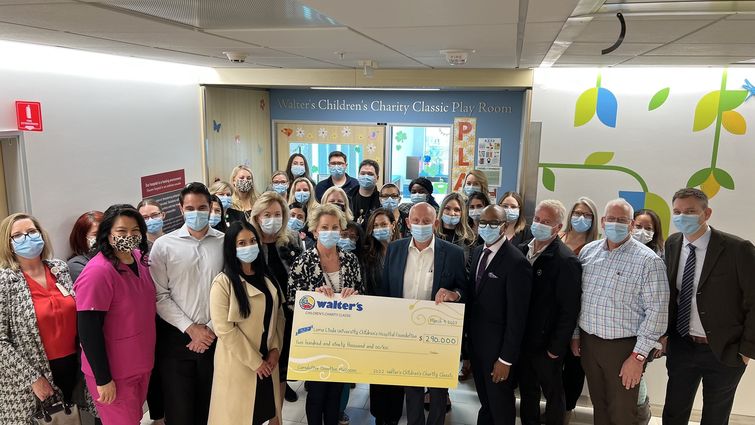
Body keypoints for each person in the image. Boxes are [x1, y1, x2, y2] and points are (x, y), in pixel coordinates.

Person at [570, 198, 669, 425]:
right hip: (589, 342)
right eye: (611, 219)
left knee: (623, 412)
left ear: (631, 224)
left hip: (624, 349)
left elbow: (657, 313)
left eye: (622, 220)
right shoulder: (588, 252)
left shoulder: (648, 261)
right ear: (603, 222)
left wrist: (638, 357)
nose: (616, 224)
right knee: (600, 407)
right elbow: (579, 299)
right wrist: (576, 335)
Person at [662, 188, 755, 425]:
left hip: (724, 350)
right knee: (674, 411)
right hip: (682, 345)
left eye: (690, 211)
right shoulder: (673, 244)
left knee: (715, 417)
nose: (683, 217)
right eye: (677, 212)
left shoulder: (738, 249)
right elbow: (671, 295)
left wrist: (746, 351)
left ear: (707, 213)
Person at [381, 202, 466, 425]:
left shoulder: (454, 253)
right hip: (405, 331)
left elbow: (464, 289)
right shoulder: (395, 249)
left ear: (435, 223)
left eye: (426, 221)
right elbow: (387, 289)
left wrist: (454, 294)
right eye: (416, 221)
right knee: (412, 389)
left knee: (438, 391)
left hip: (438, 333)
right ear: (408, 223)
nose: (420, 225)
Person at [0, 213, 87, 424]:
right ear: (9, 244)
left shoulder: (60, 269)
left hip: (73, 368)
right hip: (33, 376)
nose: (27, 238)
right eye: (18, 236)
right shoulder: (5, 282)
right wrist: (32, 379)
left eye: (31, 232)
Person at [150, 182, 225, 425]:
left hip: (216, 337)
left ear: (211, 207)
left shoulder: (225, 242)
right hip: (176, 339)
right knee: (179, 410)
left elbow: (233, 290)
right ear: (181, 209)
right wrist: (192, 329)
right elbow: (159, 295)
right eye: (190, 208)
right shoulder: (164, 246)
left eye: (202, 207)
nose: (196, 213)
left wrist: (210, 329)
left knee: (212, 408)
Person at [75, 204, 157, 424]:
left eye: (135, 231)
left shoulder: (139, 259)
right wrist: (103, 379)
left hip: (140, 364)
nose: (129, 236)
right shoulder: (97, 272)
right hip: (114, 373)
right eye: (121, 232)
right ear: (108, 234)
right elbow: (88, 331)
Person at [288, 204, 362, 425]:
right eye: (324, 227)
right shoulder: (302, 262)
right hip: (315, 340)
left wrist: (354, 295)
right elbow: (292, 301)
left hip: (343, 339)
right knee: (317, 394)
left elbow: (363, 295)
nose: (330, 231)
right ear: (314, 231)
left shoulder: (351, 260)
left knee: (335, 394)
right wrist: (315, 298)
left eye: (334, 227)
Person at [208, 221, 286, 425]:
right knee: (239, 417)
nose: (248, 246)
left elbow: (278, 316)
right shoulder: (223, 283)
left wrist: (276, 349)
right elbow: (224, 330)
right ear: (231, 248)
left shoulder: (266, 276)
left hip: (268, 361)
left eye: (252, 241)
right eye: (241, 243)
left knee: (264, 414)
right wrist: (255, 362)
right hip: (240, 366)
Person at [466, 205, 533, 425]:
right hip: (478, 346)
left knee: (501, 405)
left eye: (493, 223)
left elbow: (518, 317)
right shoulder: (478, 252)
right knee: (485, 402)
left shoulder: (516, 262)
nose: (486, 227)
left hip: (498, 353)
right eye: (482, 222)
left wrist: (506, 359)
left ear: (504, 227)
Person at [517, 200, 581, 425]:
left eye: (546, 222)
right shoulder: (521, 249)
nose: (539, 224)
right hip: (523, 339)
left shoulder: (566, 261)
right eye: (537, 219)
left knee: (554, 394)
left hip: (547, 346)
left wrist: (556, 348)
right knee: (528, 392)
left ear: (558, 227)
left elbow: (569, 309)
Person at [249, 191, 303, 404]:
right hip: (257, 317)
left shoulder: (291, 239)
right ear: (257, 217)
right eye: (267, 214)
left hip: (287, 315)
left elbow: (301, 274)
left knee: (281, 366)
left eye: (278, 214)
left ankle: (277, 416)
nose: (273, 219)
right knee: (259, 366)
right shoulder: (247, 241)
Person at [557, 196, 598, 421]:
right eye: (577, 213)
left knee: (573, 368)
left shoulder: (595, 247)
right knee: (551, 366)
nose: (580, 218)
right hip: (553, 315)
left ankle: (566, 410)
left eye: (587, 215)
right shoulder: (557, 238)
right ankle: (554, 405)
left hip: (580, 317)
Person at [362, 208, 404, 425]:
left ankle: (394, 416)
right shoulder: (367, 254)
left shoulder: (403, 250)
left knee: (397, 374)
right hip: (375, 320)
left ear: (393, 225)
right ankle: (379, 416)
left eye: (383, 224)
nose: (380, 228)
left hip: (401, 322)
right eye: (375, 225)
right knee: (378, 374)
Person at [136, 198, 169, 424]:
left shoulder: (174, 241)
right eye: (145, 217)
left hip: (174, 317)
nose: (151, 220)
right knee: (154, 371)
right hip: (149, 319)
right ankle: (158, 417)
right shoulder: (137, 251)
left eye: (154, 214)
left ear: (163, 215)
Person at [435, 192, 476, 262]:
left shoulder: (469, 238)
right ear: (441, 210)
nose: (451, 213)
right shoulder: (432, 234)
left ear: (462, 213)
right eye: (447, 208)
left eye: (457, 210)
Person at [67, 210, 103, 282]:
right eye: (95, 234)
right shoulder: (76, 265)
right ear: (82, 238)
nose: (103, 237)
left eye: (105, 232)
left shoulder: (117, 257)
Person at [348, 159, 382, 226]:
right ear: (358, 176)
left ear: (377, 178)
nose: (366, 176)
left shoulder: (381, 201)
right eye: (363, 173)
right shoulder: (347, 197)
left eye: (370, 174)